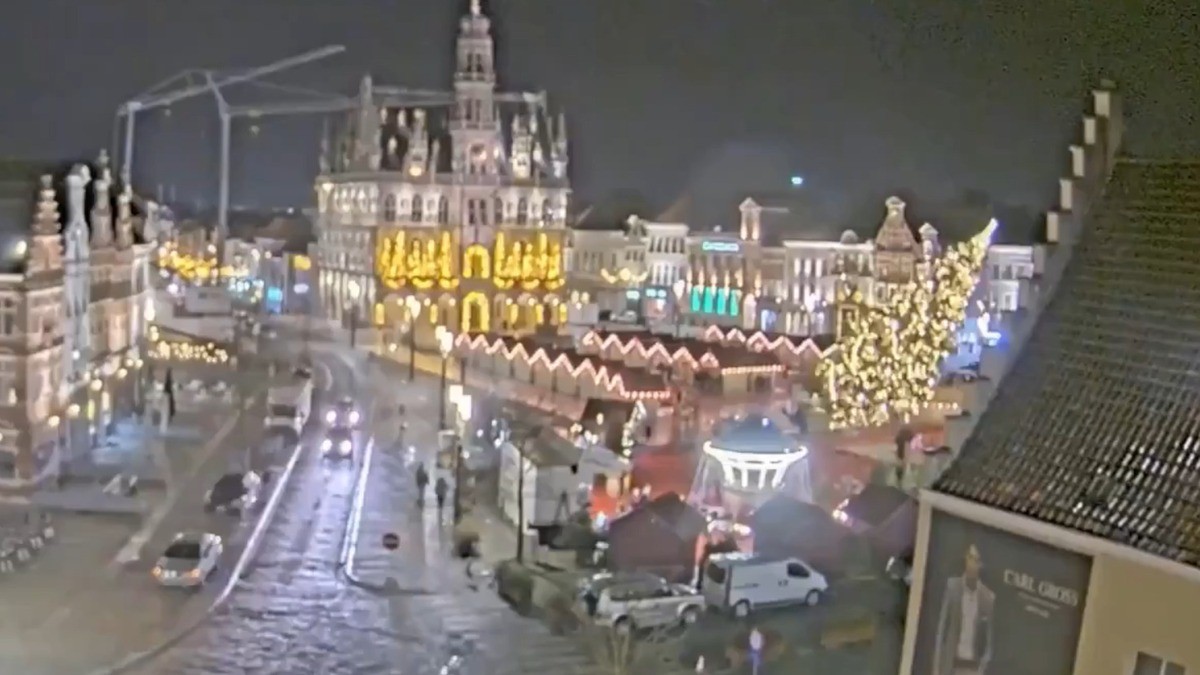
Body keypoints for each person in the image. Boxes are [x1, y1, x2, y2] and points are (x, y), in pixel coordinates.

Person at [933, 544, 994, 675]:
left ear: (981, 564)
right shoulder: (953, 587)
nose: (972, 563)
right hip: (951, 664)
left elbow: (989, 641)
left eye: (976, 560)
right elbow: (942, 631)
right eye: (970, 557)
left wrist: (981, 670)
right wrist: (937, 669)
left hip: (972, 668)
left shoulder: (987, 598)